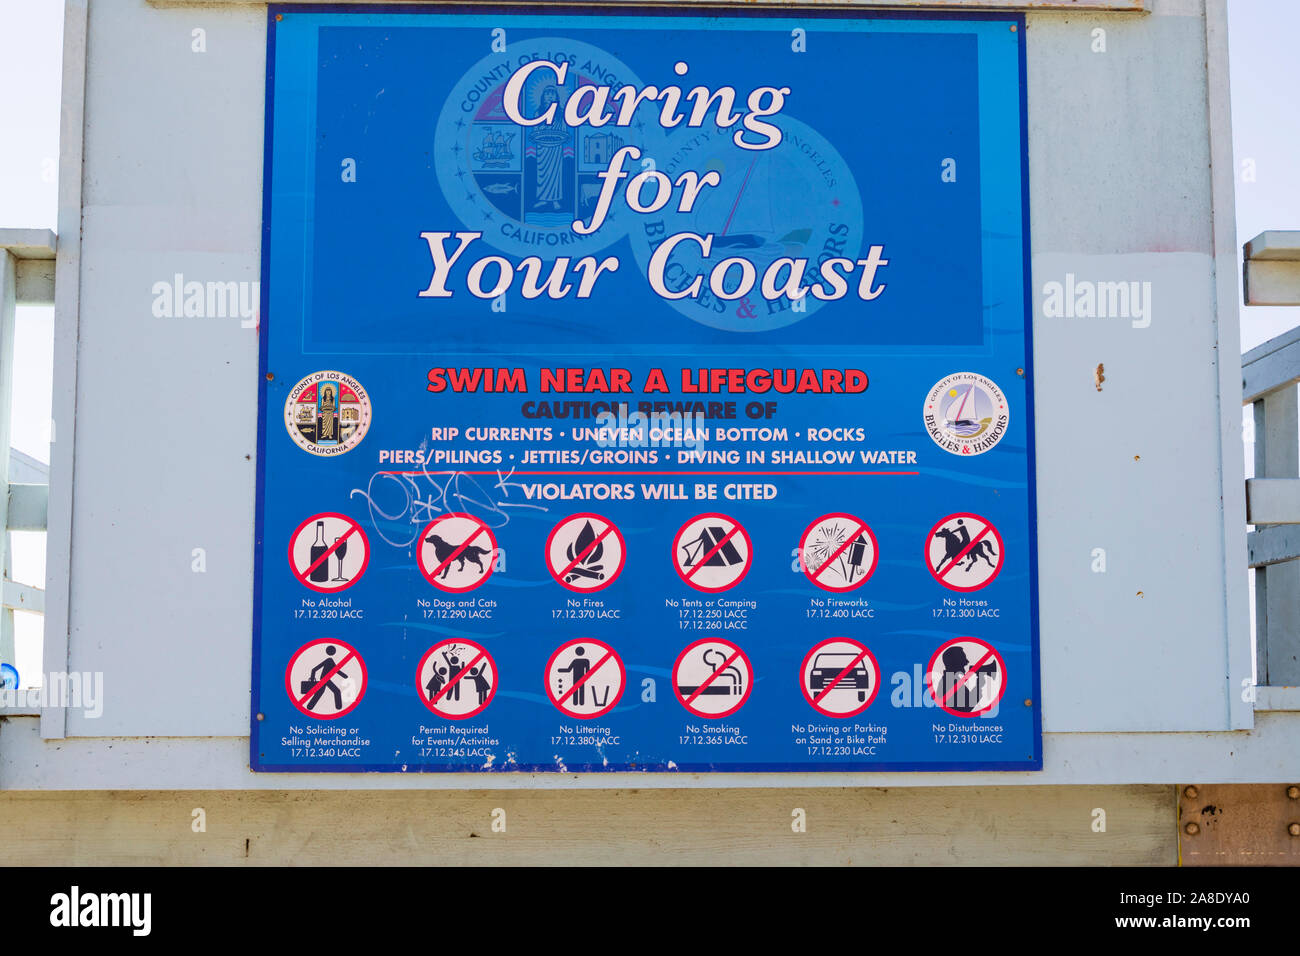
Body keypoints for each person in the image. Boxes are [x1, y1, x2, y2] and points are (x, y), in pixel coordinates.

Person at [306, 645, 347, 711]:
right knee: (337, 691)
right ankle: (339, 707)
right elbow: (314, 669)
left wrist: (345, 676)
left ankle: (309, 707)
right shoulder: (329, 660)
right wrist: (312, 680)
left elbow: (336, 670)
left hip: (325, 679)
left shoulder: (329, 660)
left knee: (320, 692)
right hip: (325, 679)